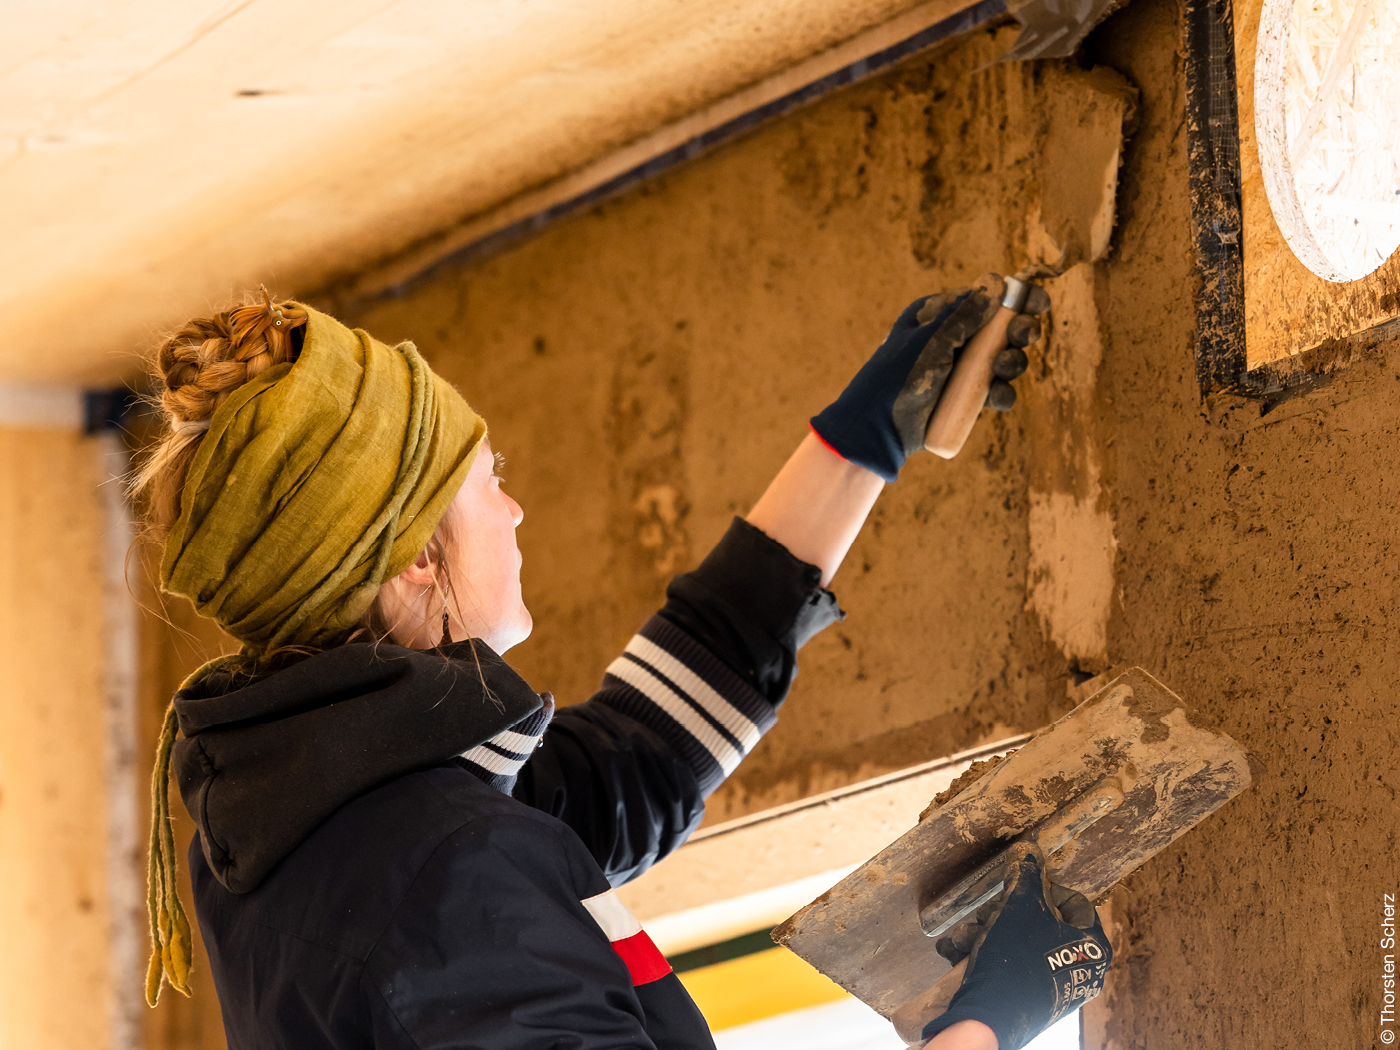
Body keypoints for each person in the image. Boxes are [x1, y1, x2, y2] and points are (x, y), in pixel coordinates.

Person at [137, 280, 1108, 1050]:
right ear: (416, 564)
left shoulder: (304, 825)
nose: (514, 514)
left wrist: (853, 449)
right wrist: (980, 1029)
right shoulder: (443, 875)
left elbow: (627, 769)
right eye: (491, 483)